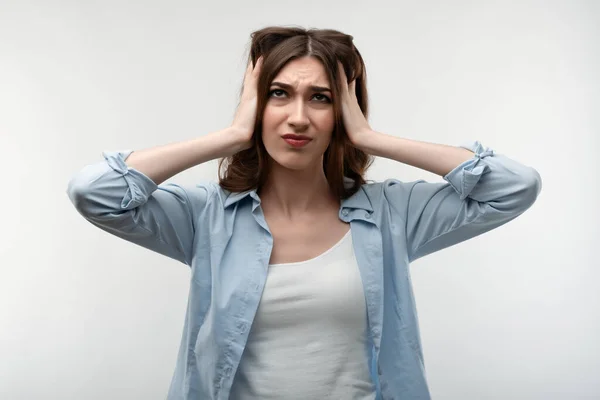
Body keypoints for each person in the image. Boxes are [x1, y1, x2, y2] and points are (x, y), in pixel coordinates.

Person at [66, 26, 542, 400]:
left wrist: (370, 137)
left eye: (321, 97)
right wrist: (232, 134)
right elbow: (95, 192)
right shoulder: (204, 218)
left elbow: (513, 187)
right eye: (279, 94)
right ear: (256, 105)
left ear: (343, 112)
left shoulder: (393, 212)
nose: (299, 117)